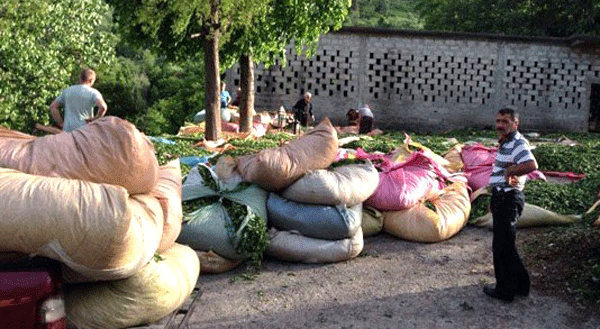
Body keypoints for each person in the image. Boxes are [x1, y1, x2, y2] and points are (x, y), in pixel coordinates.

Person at [484, 107, 538, 302]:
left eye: (505, 122)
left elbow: (532, 165)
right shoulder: (507, 141)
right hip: (502, 197)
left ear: (516, 124)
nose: (500, 125)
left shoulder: (518, 143)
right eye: (498, 121)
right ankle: (522, 285)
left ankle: (504, 291)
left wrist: (511, 172)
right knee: (507, 245)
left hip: (508, 198)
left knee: (501, 246)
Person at [49, 68, 107, 132]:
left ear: (80, 78)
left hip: (68, 131)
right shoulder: (93, 92)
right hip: (85, 130)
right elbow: (103, 107)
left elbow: (53, 106)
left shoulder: (67, 91)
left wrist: (61, 123)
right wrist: (95, 119)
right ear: (91, 80)